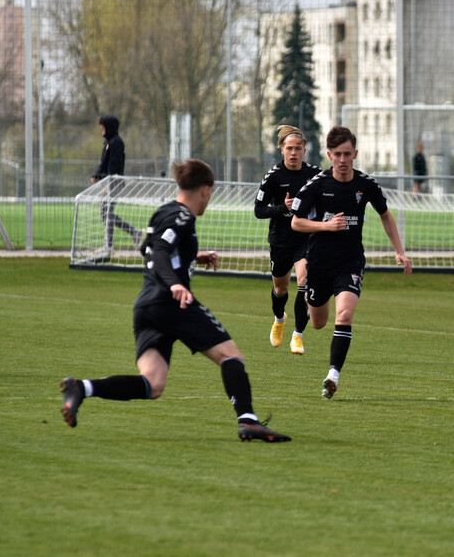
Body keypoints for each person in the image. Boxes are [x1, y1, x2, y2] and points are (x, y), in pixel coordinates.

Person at [59, 159, 291, 442]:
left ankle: (81, 388)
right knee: (231, 357)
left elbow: (148, 248)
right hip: (172, 304)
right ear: (206, 190)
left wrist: (194, 257)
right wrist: (177, 284)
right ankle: (248, 420)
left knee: (152, 384)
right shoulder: (181, 216)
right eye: (211, 193)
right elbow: (158, 252)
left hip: (146, 306)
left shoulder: (165, 210)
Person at [291, 126, 413, 400]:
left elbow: (385, 214)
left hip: (350, 262)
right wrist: (325, 226)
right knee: (319, 323)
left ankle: (332, 375)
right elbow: (296, 222)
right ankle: (311, 309)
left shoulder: (366, 184)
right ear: (329, 155)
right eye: (338, 154)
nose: (343, 159)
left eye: (348, 154)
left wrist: (399, 251)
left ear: (355, 154)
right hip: (319, 262)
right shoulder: (317, 185)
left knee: (344, 315)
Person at [254, 125, 321, 355]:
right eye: (289, 148)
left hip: (306, 237)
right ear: (282, 150)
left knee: (304, 279)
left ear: (304, 150)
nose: (293, 153)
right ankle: (279, 318)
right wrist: (283, 208)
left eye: (298, 148)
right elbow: (259, 210)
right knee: (280, 289)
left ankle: (298, 336)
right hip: (281, 239)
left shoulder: (315, 174)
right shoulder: (273, 177)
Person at [91, 114, 142, 254]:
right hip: (107, 182)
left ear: (108, 127)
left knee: (107, 213)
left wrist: (106, 181)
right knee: (105, 213)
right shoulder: (108, 142)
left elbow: (114, 166)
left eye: (103, 126)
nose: (101, 128)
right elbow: (103, 163)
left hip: (114, 182)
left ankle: (110, 245)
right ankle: (133, 233)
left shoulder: (116, 142)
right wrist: (96, 175)